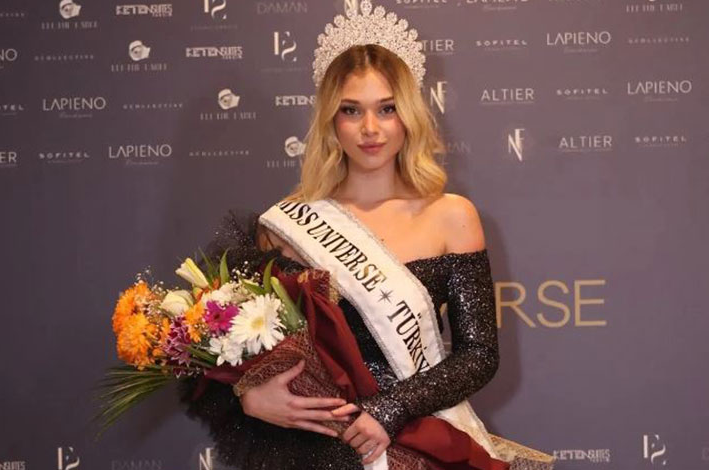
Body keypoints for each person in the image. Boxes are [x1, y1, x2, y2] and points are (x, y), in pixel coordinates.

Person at [185, 2, 553, 469]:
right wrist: (249, 395)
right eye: (351, 110)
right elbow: (235, 351)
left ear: (409, 115)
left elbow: (478, 355)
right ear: (330, 121)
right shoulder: (287, 226)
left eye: (387, 109)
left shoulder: (451, 216)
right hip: (314, 450)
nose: (370, 128)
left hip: (418, 440)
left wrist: (389, 409)